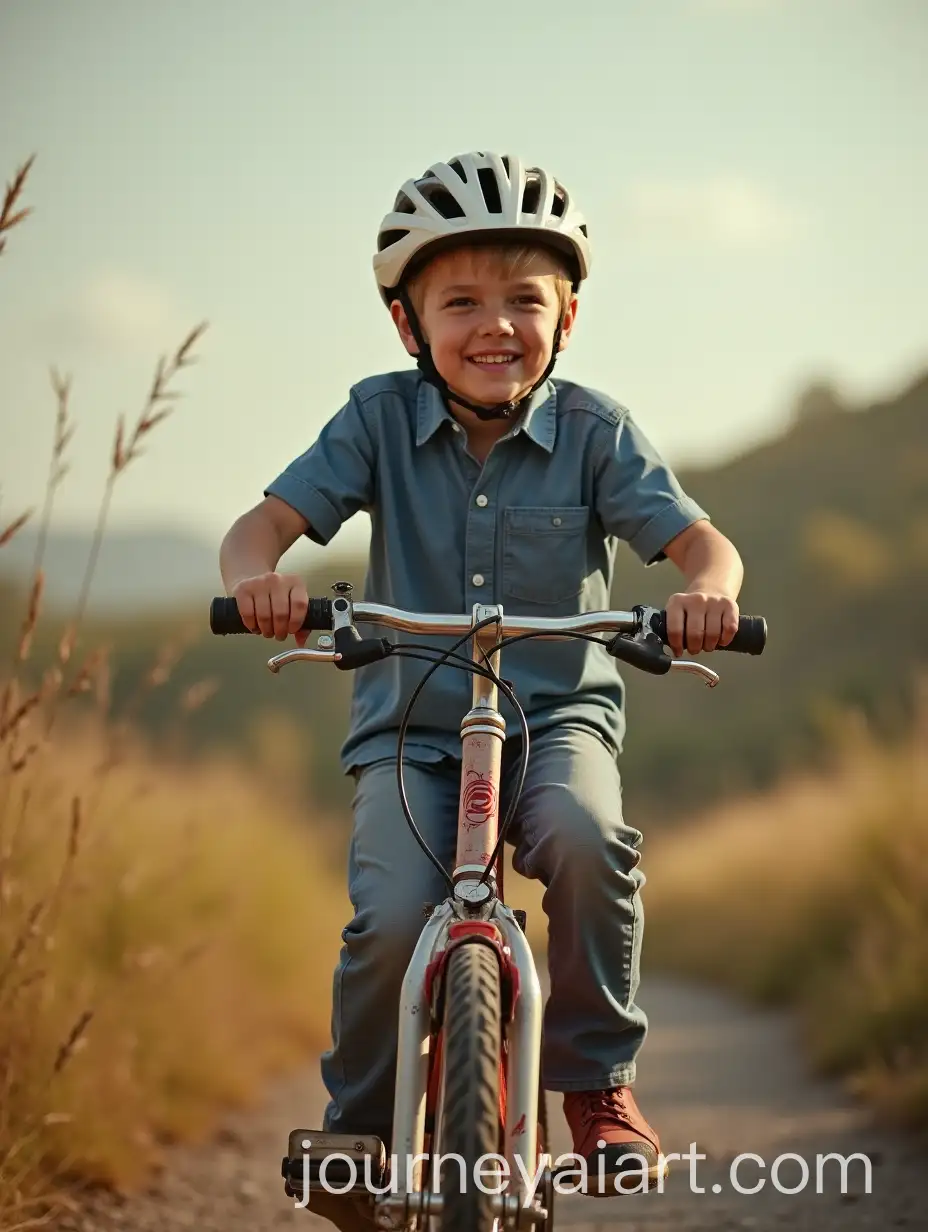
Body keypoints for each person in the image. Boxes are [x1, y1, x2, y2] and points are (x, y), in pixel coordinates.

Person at [220, 151, 743, 1206]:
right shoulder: (373, 419)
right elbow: (260, 527)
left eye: (524, 299)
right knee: (391, 909)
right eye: (460, 300)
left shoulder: (595, 432)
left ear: (570, 316)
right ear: (410, 324)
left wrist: (706, 594)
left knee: (589, 843)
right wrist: (256, 579)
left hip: (558, 716)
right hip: (411, 722)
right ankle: (360, 1129)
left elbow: (703, 548)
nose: (494, 323)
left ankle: (596, 1082)